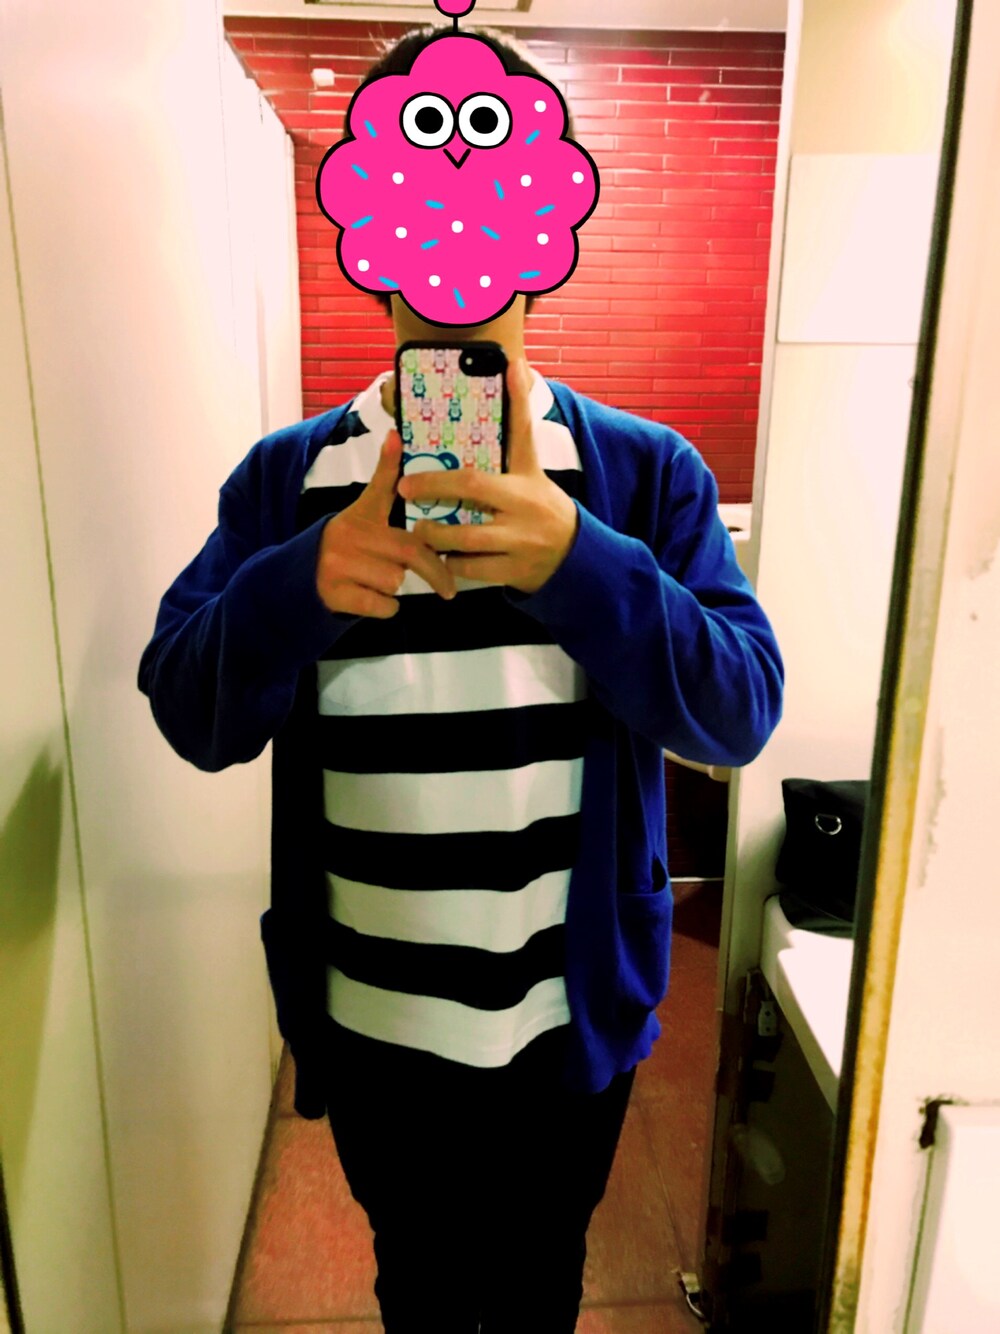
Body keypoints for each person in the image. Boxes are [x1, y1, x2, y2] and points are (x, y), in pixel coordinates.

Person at [137, 26, 783, 1334]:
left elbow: (739, 707)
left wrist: (578, 561)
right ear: (365, 232)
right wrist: (300, 582)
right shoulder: (286, 483)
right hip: (373, 1027)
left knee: (539, 1281)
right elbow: (189, 711)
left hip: (567, 1015)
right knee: (418, 1285)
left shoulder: (642, 475)